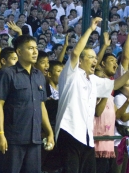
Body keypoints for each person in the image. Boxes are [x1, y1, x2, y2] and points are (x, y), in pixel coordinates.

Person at [55, 17, 129, 173]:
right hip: (69, 133)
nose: (95, 60)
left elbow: (115, 84)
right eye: (91, 57)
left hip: (87, 137)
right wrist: (90, 29)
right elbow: (75, 52)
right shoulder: (71, 74)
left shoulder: (93, 80)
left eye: (96, 58)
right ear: (80, 61)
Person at [0, 35, 54, 173]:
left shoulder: (39, 75)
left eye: (36, 48)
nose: (35, 52)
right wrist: (0, 134)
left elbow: (42, 105)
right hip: (13, 140)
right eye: (30, 48)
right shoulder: (7, 74)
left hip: (35, 140)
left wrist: (50, 132)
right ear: (19, 52)